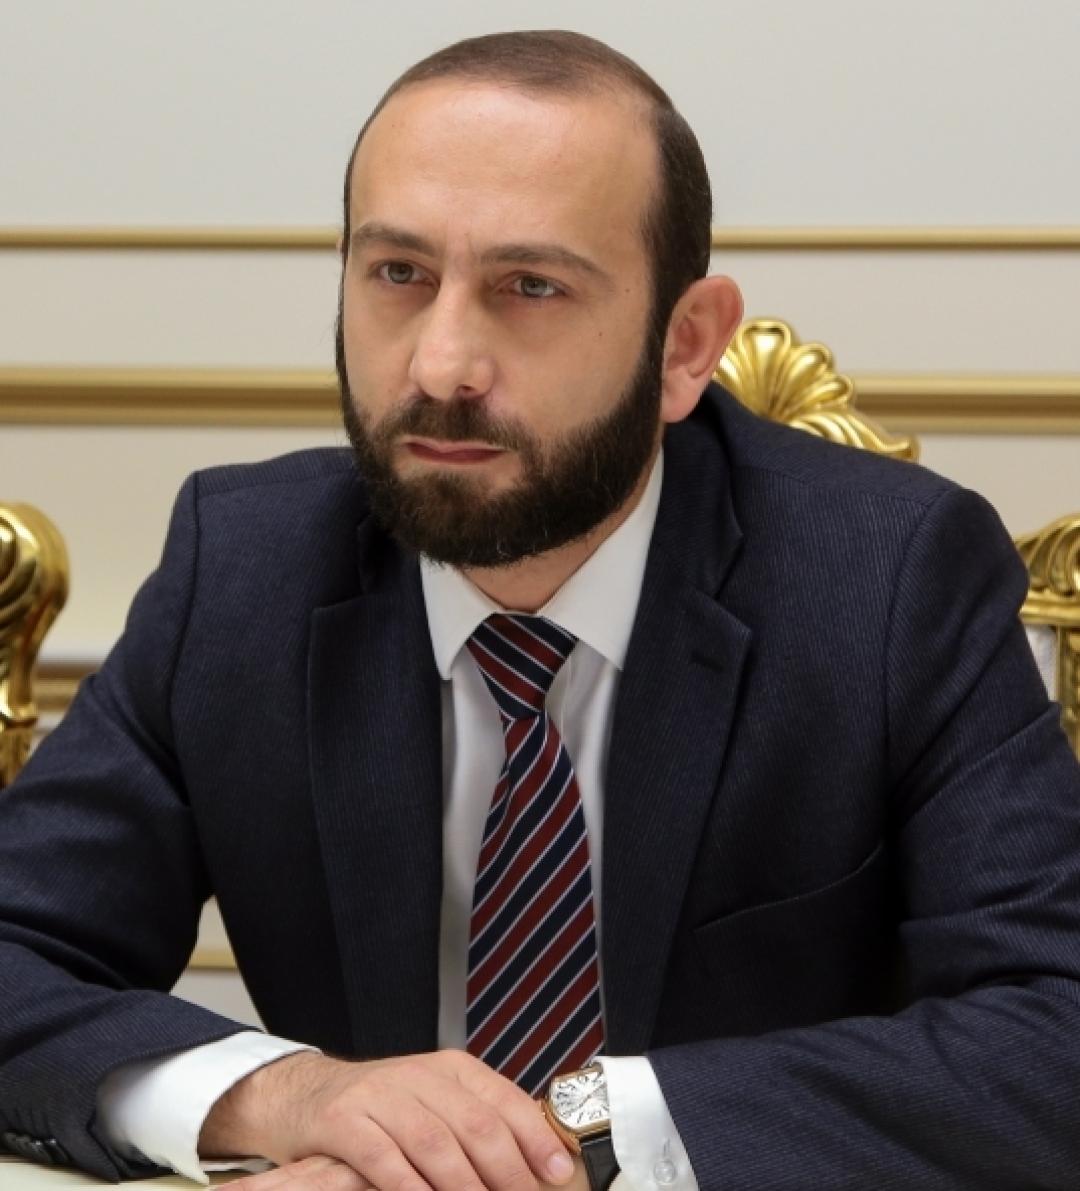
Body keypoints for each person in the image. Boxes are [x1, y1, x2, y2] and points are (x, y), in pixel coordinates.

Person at [3, 28, 1080, 1191]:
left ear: (685, 346)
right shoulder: (244, 571)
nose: (442, 366)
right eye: (398, 274)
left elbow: (1054, 1032)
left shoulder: (888, 578)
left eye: (531, 287)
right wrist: (295, 1097)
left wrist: (579, 1135)